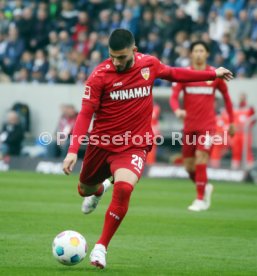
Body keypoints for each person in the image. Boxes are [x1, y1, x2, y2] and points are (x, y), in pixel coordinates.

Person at [62, 29, 233, 268]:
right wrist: (72, 150)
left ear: (134, 50)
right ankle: (99, 190)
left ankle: (101, 247)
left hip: (134, 144)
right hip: (102, 144)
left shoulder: (148, 65)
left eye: (121, 57)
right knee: (84, 189)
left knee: (123, 188)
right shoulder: (99, 76)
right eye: (112, 56)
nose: (116, 62)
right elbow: (85, 114)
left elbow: (174, 73)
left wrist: (212, 73)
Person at [170, 41, 235, 212]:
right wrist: (177, 110)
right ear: (191, 54)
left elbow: (227, 99)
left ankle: (200, 199)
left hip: (207, 126)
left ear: (207, 54)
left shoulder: (214, 75)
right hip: (189, 127)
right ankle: (205, 187)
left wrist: (232, 121)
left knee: (201, 157)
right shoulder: (185, 75)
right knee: (188, 166)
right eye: (195, 51)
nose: (198, 53)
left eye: (202, 51)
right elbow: (174, 97)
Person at [231, 93, 256, 169]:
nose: (241, 98)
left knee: (247, 150)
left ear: (245, 98)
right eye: (240, 97)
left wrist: (248, 127)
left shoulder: (249, 108)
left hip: (245, 133)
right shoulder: (235, 107)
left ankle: (249, 168)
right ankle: (235, 167)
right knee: (236, 151)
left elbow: (253, 119)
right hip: (236, 133)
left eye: (243, 97)